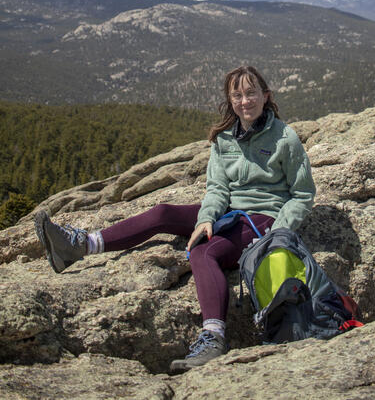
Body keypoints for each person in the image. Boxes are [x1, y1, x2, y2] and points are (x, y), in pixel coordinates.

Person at [34, 65, 316, 372]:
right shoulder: (224, 139)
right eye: (237, 95)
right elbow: (218, 188)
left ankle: (213, 338)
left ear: (266, 96)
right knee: (163, 213)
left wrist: (277, 232)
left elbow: (302, 195)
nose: (245, 101)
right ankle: (82, 246)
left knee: (203, 252)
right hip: (228, 210)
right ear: (230, 100)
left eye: (251, 93)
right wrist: (206, 218)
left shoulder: (284, 138)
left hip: (260, 218)